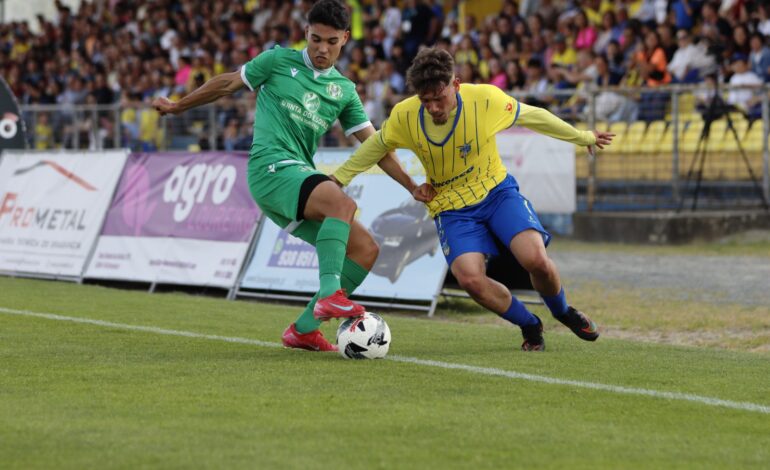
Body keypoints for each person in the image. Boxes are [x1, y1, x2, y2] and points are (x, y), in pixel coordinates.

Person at [152, 0, 429, 352]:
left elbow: (376, 146)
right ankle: (330, 295)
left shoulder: (344, 91)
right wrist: (178, 105)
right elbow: (226, 84)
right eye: (315, 39)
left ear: (345, 38)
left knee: (365, 249)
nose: (321, 49)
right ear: (305, 33)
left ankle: (303, 330)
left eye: (331, 41)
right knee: (341, 203)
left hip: (293, 182)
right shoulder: (277, 61)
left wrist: (411, 185)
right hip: (269, 168)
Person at [332, 47, 614, 351]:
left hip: (496, 192)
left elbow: (535, 116)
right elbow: (375, 147)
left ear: (456, 83)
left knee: (536, 260)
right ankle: (530, 325)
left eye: (439, 98)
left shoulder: (485, 100)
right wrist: (340, 178)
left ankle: (563, 311)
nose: (434, 108)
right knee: (469, 279)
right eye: (426, 101)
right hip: (451, 207)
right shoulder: (406, 115)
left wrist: (582, 136)